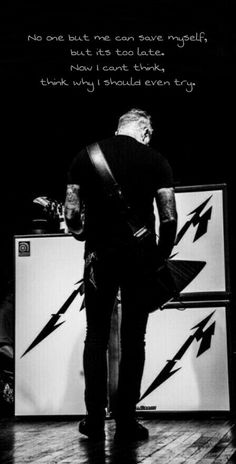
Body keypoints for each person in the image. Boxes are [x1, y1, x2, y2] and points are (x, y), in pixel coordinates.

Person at [64, 108, 177, 441]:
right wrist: (160, 257)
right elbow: (169, 217)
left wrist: (82, 233)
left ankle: (95, 421)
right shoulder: (157, 160)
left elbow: (71, 213)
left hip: (99, 259)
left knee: (95, 337)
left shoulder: (85, 156)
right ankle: (126, 420)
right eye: (149, 134)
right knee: (133, 340)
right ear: (143, 131)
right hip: (140, 260)